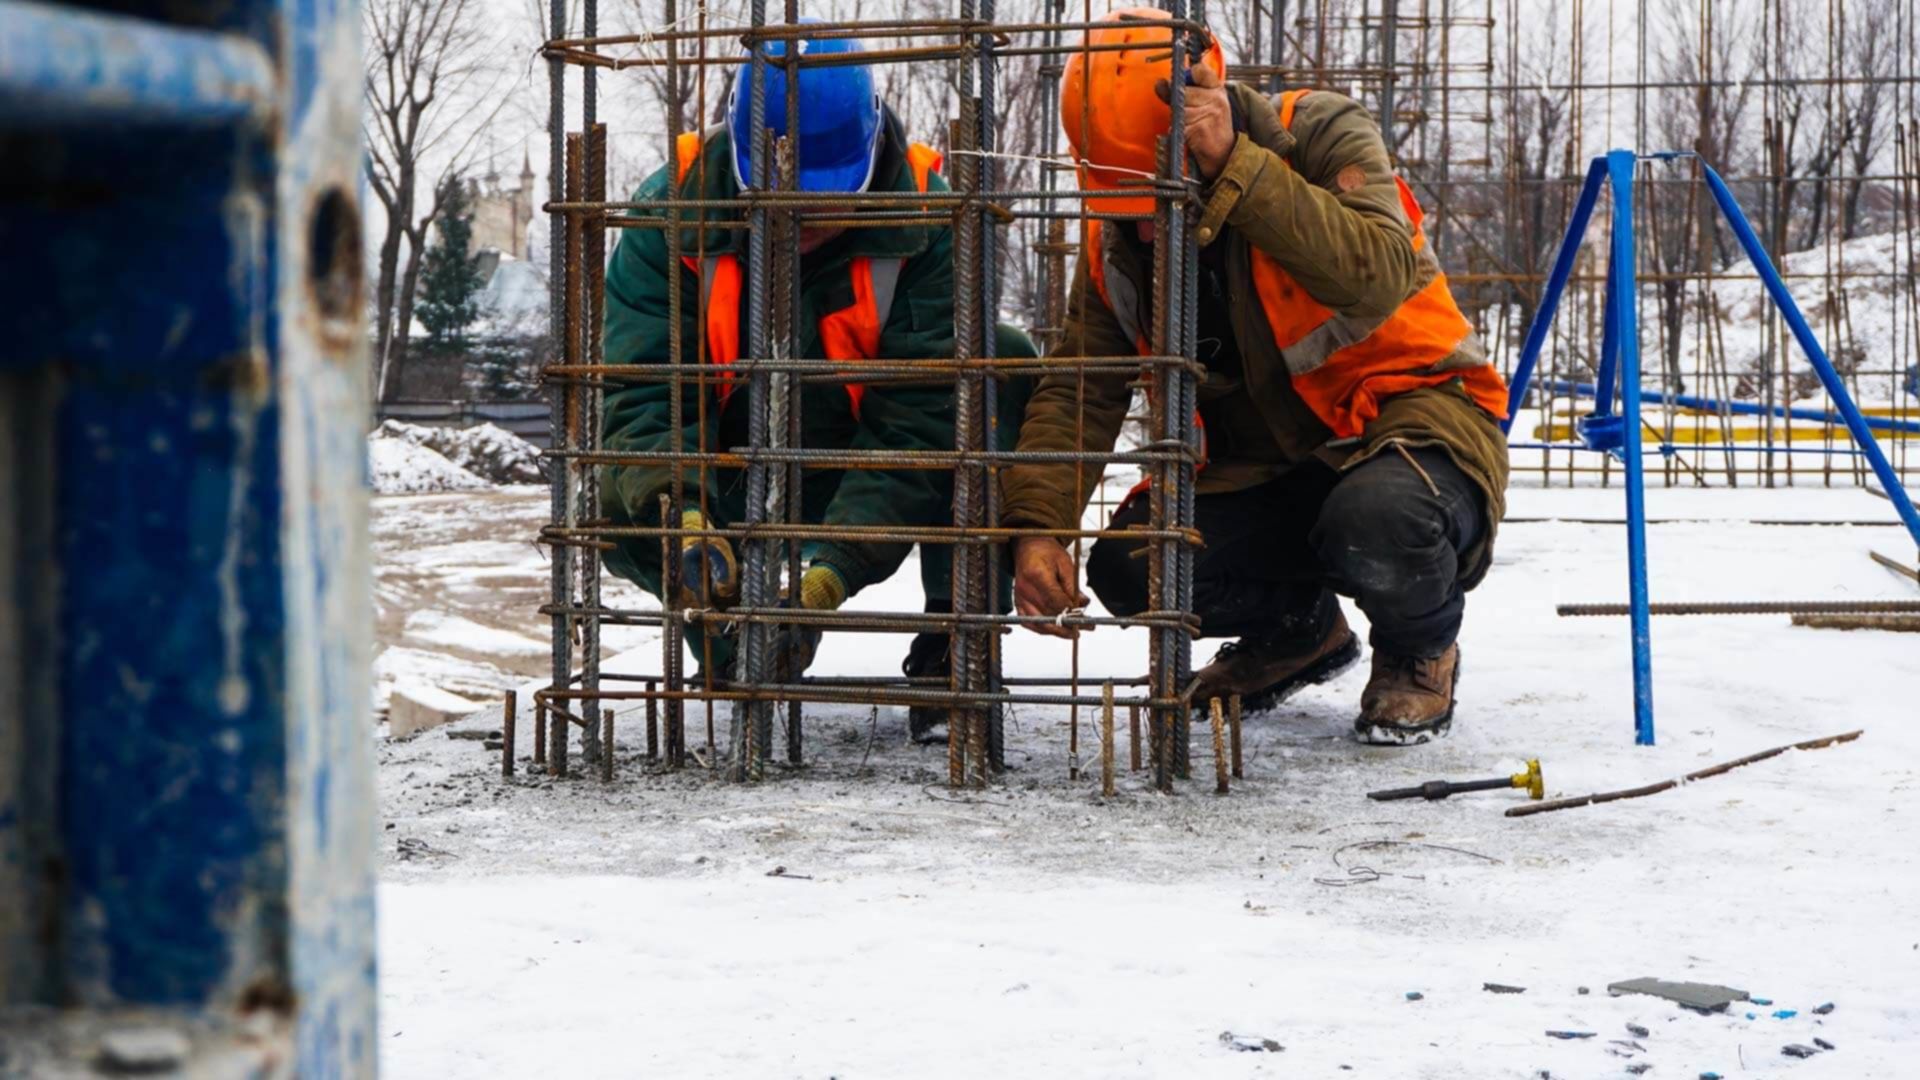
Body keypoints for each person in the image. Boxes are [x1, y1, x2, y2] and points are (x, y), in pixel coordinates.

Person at [1000, 8, 1510, 746]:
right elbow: (1081, 388)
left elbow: (1376, 275)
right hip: (1267, 469)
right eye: (1127, 205)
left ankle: (1419, 651)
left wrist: (1239, 167)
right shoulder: (1117, 237)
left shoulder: (1318, 133)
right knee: (1135, 566)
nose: (1145, 226)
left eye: (1154, 198)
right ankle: (1300, 632)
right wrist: (1037, 530)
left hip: (1406, 430)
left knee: (1379, 522)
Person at [599, 30, 1032, 743]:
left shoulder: (929, 216)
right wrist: (681, 513)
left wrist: (832, 571)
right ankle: (736, 642)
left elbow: (921, 422)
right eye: (777, 199)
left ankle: (956, 642)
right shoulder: (672, 214)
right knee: (613, 488)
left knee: (1001, 367)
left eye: (820, 201)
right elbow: (643, 398)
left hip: (871, 457)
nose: (797, 222)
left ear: (867, 165)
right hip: (734, 463)